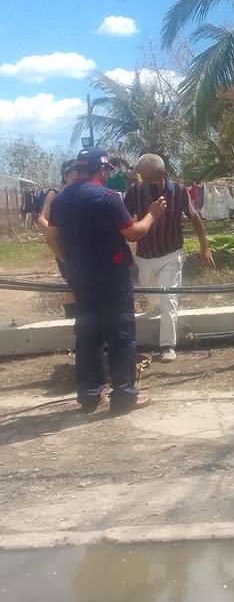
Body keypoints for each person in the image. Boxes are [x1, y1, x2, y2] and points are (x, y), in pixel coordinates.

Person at [45, 147, 166, 414]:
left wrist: (69, 262)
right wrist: (152, 214)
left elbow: (51, 238)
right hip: (111, 278)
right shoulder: (107, 197)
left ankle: (89, 396)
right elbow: (133, 234)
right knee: (120, 335)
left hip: (80, 278)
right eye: (107, 171)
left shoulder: (61, 200)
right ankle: (123, 396)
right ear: (101, 170)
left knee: (87, 335)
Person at [123, 153, 215, 363]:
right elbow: (124, 219)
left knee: (169, 299)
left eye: (150, 178)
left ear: (162, 174)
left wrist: (205, 248)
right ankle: (161, 308)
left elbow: (194, 217)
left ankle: (167, 345)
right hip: (145, 256)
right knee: (154, 297)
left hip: (171, 254)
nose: (146, 183)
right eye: (142, 178)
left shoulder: (179, 191)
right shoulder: (134, 192)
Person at [38, 158, 78, 319]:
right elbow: (41, 219)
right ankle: (71, 322)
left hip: (78, 245)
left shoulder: (79, 192)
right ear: (66, 175)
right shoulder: (55, 193)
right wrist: (58, 234)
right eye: (77, 172)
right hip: (63, 246)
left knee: (77, 284)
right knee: (73, 284)